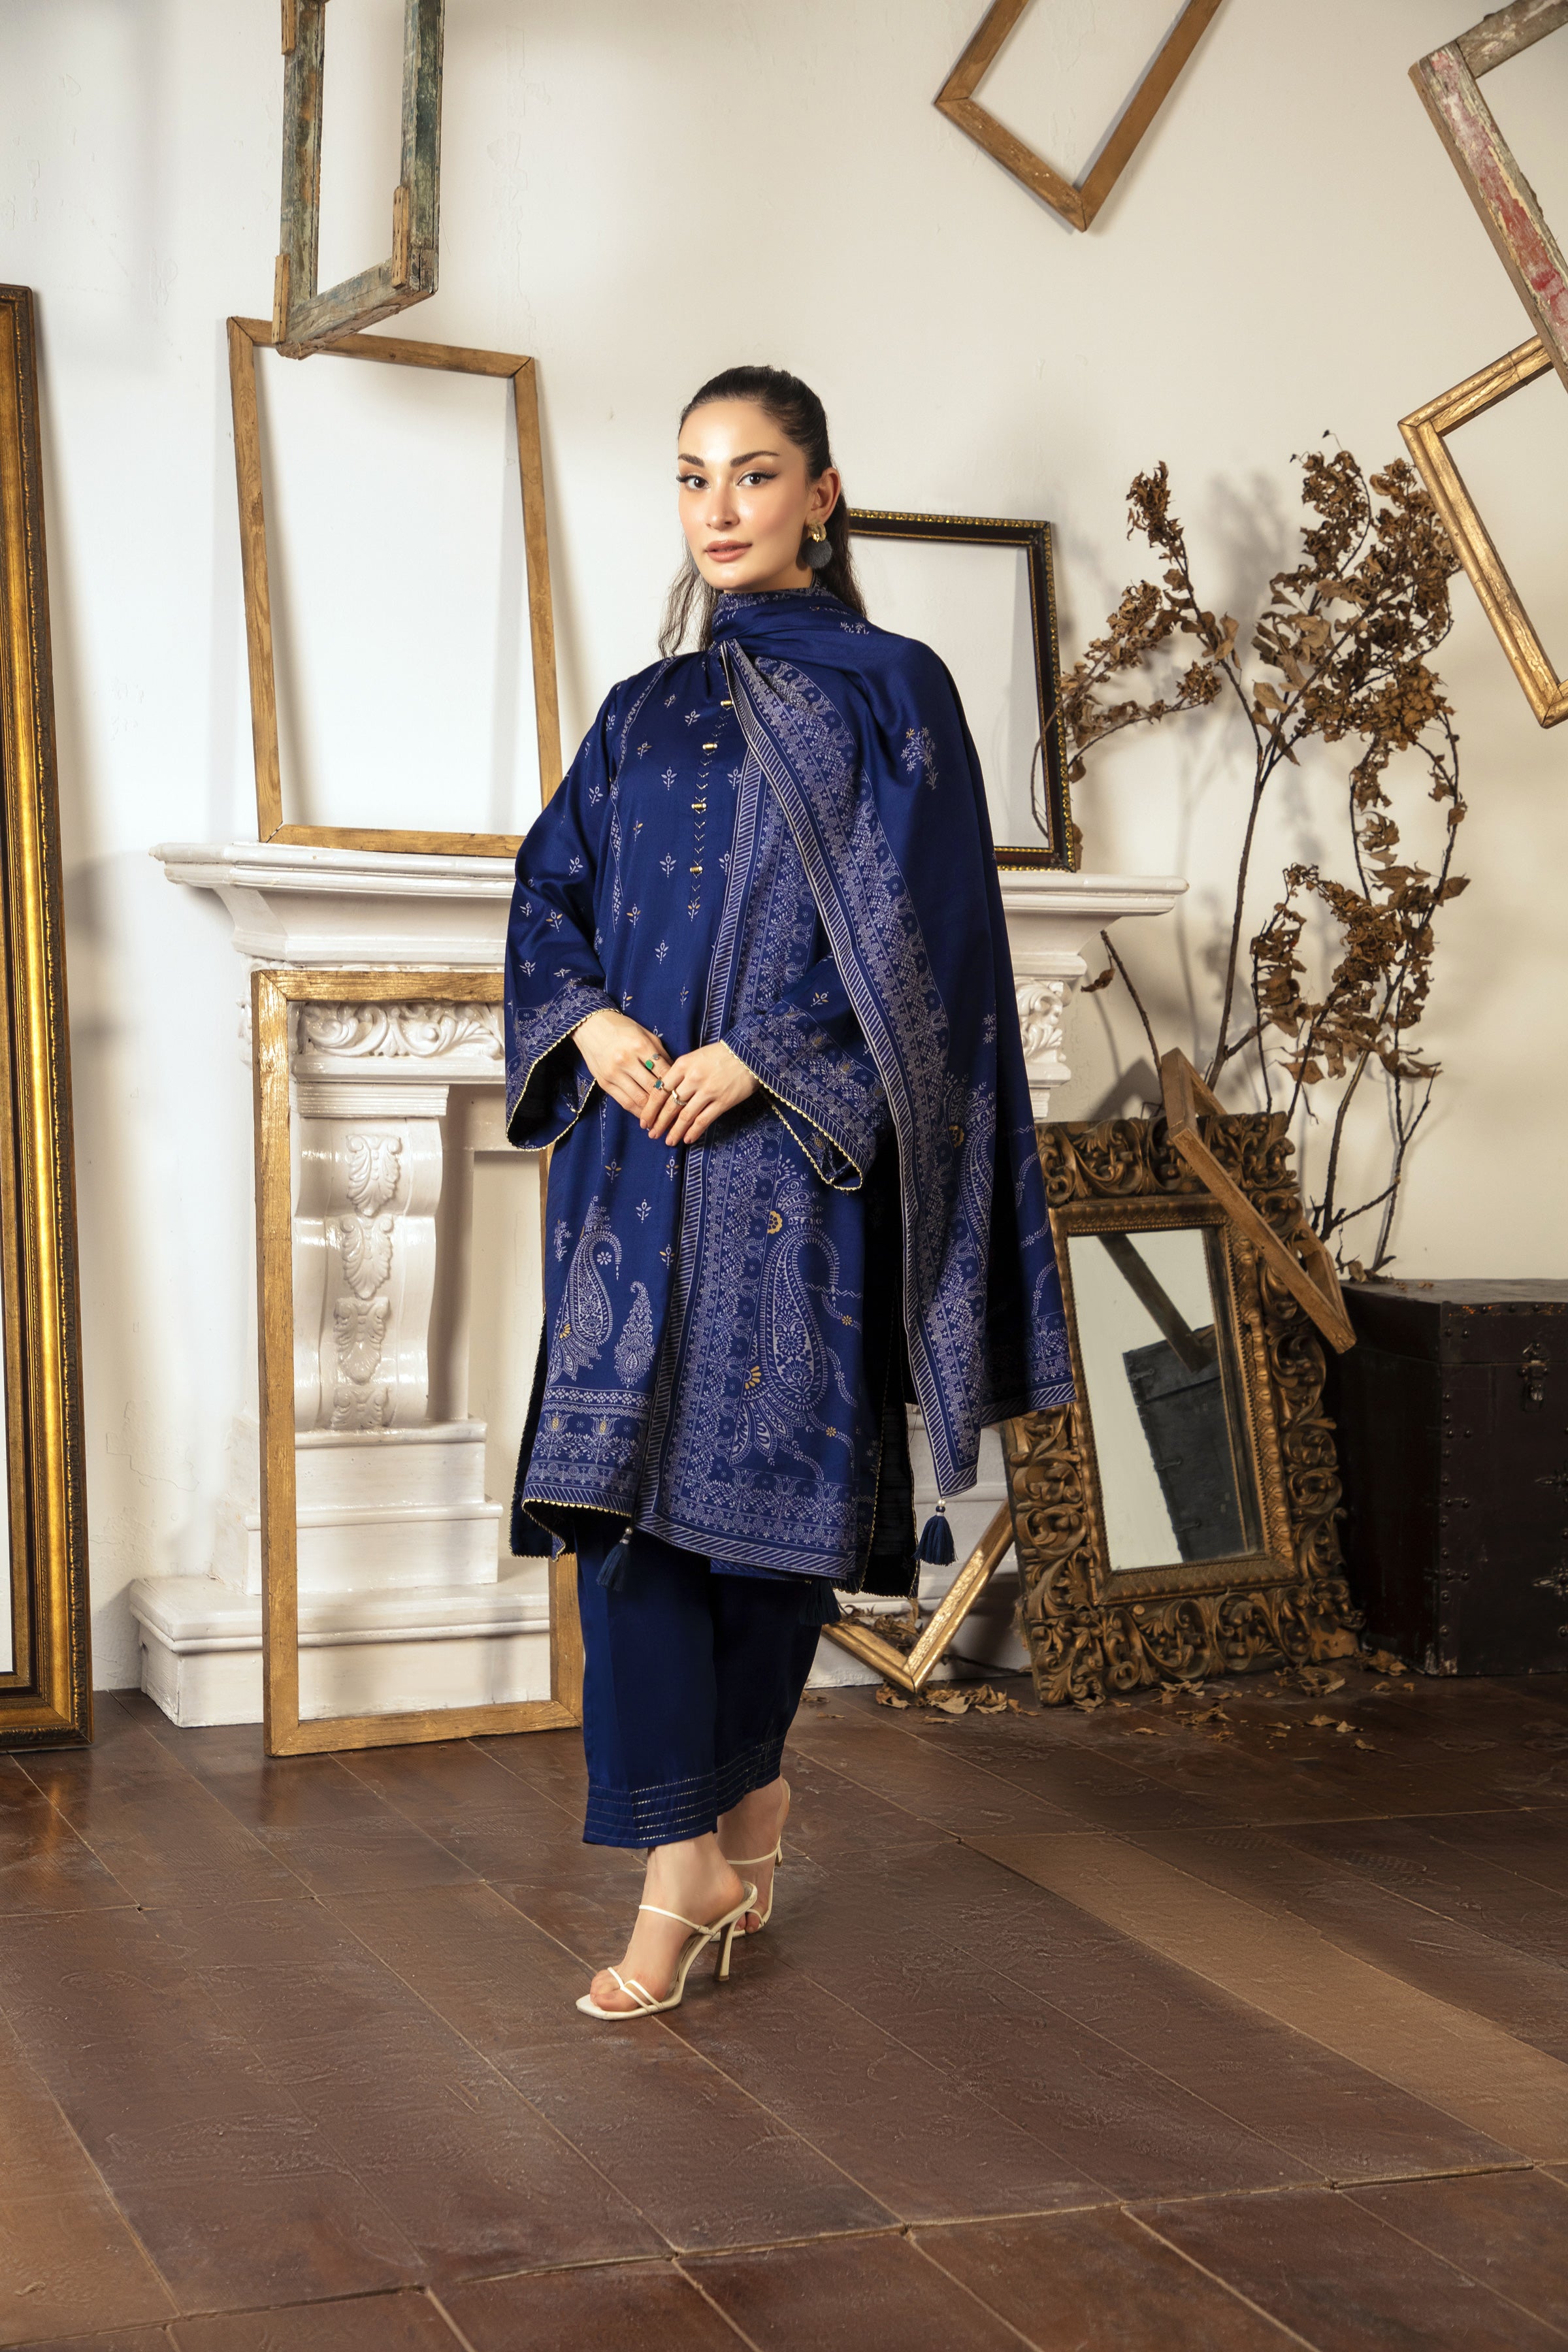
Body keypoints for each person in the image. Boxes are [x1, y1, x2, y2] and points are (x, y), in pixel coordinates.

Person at [504, 365, 1071, 2017]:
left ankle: (725, 1832)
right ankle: (696, 1850)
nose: (721, 507)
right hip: (633, 1155)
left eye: (754, 473)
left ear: (822, 493)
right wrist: (592, 1023)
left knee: (761, 1525)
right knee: (620, 1519)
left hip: (789, 1157)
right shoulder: (639, 710)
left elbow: (931, 934)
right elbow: (550, 888)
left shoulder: (896, 690)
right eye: (693, 477)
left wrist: (763, 1055)